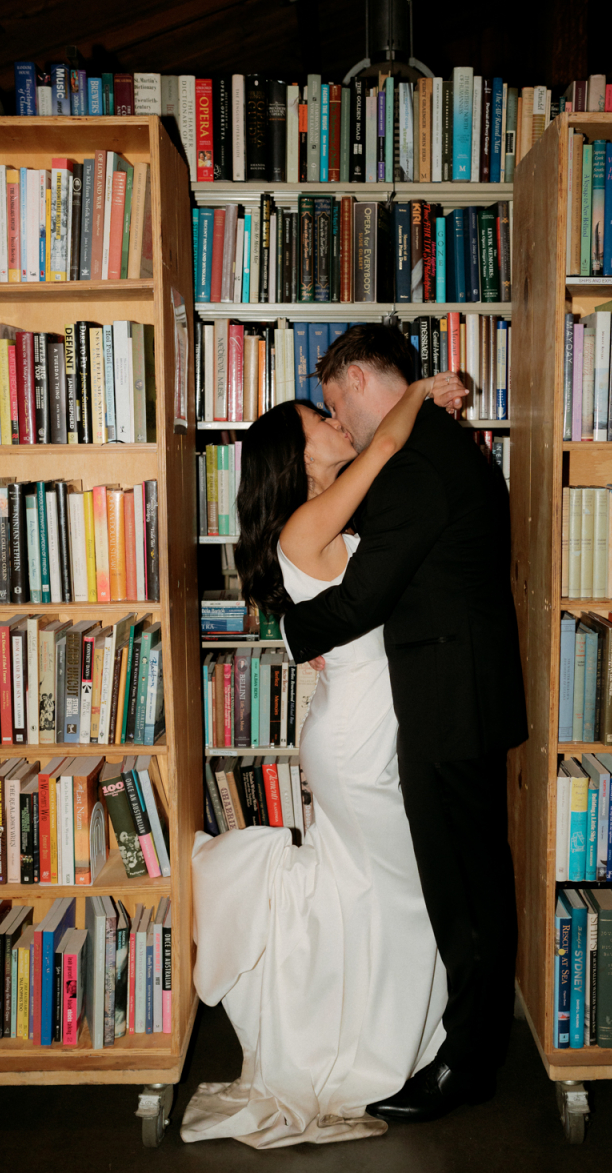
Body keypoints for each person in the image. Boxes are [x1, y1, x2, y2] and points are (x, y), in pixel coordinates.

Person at [181, 362, 463, 1150]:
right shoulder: (306, 524)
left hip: (364, 723)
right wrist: (416, 393)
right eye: (322, 420)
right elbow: (386, 447)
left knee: (378, 896)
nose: (339, 425)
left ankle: (387, 1046)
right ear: (297, 455)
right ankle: (381, 1061)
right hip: (356, 738)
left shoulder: (317, 519)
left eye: (335, 414)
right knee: (405, 897)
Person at [281, 324, 527, 1124]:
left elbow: (366, 598)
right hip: (455, 689)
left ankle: (469, 1060)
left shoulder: (417, 462)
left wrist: (291, 633)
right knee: (469, 877)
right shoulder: (432, 445)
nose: (339, 422)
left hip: (449, 697)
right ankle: (466, 1043)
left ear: (354, 379)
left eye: (331, 402)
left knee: (464, 887)